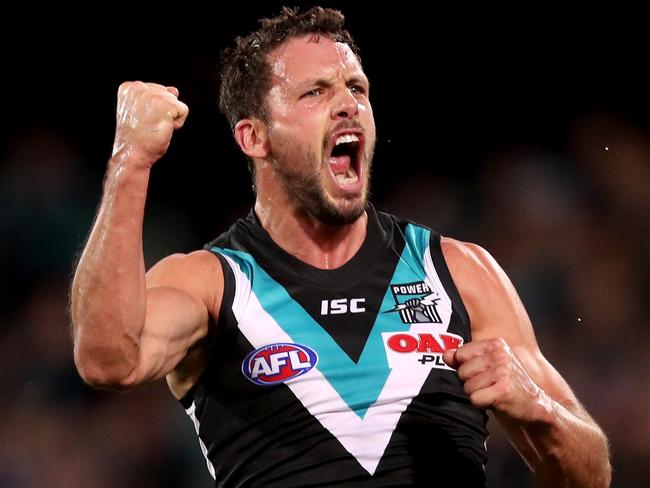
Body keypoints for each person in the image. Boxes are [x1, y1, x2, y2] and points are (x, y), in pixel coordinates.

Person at [70, 6, 611, 487]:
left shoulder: (458, 271)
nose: (348, 105)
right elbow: (106, 361)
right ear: (254, 137)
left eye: (357, 87)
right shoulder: (214, 283)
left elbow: (592, 474)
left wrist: (536, 408)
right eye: (316, 92)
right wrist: (130, 162)